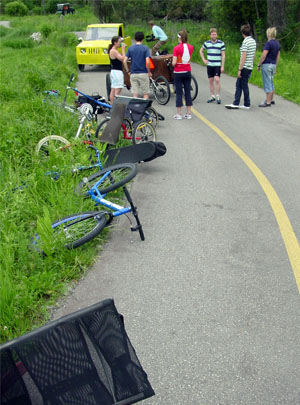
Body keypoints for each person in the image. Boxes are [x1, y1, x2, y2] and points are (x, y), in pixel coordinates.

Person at [225, 24, 256, 110]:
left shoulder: (245, 42)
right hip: (249, 66)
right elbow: (254, 55)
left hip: (244, 67)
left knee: (242, 85)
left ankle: (241, 103)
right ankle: (242, 103)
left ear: (242, 33)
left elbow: (244, 56)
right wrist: (252, 64)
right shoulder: (253, 41)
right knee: (241, 84)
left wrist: (240, 69)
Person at [200, 28, 226, 104]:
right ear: (210, 35)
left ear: (217, 35)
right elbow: (201, 51)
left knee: (217, 79)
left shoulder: (221, 43)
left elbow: (223, 55)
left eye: (215, 34)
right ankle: (212, 96)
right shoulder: (207, 43)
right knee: (210, 80)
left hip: (217, 64)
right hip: (210, 64)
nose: (214, 36)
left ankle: (218, 96)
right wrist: (204, 59)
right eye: (212, 34)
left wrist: (222, 66)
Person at [172, 29, 194, 120]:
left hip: (178, 72)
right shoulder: (191, 47)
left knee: (179, 92)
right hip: (187, 71)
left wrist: (173, 64)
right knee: (187, 91)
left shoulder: (176, 48)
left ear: (179, 38)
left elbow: (174, 62)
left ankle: (179, 113)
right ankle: (188, 113)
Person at [257, 27, 280, 107]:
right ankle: (271, 99)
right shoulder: (277, 44)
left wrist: (259, 64)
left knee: (267, 83)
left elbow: (264, 55)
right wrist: (275, 66)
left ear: (268, 34)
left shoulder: (268, 43)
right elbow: (278, 56)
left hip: (267, 64)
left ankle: (268, 101)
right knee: (271, 82)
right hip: (273, 64)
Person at [124, 32, 152, 99]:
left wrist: (128, 71)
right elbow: (148, 62)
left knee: (135, 94)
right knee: (145, 93)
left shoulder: (130, 48)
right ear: (143, 39)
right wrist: (149, 71)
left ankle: (135, 108)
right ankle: (145, 108)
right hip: (143, 73)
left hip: (133, 73)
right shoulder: (145, 48)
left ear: (135, 39)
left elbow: (124, 61)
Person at [108, 36, 126, 103]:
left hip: (114, 71)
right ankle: (115, 105)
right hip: (117, 72)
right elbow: (122, 58)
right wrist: (123, 49)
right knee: (117, 89)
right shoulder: (114, 51)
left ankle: (112, 106)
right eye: (119, 42)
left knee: (113, 89)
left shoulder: (113, 50)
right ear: (115, 43)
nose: (120, 44)